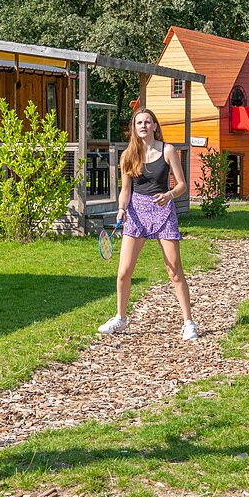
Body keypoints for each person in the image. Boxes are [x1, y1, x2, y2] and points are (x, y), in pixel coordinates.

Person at [98, 108, 198, 340]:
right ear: (134, 128)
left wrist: (169, 195)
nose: (143, 126)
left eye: (147, 122)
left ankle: (188, 322)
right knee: (124, 271)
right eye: (139, 122)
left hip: (163, 210)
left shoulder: (167, 150)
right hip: (136, 213)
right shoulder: (128, 155)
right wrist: (121, 209)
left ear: (154, 126)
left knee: (174, 270)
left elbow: (182, 185)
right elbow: (126, 191)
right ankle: (120, 318)